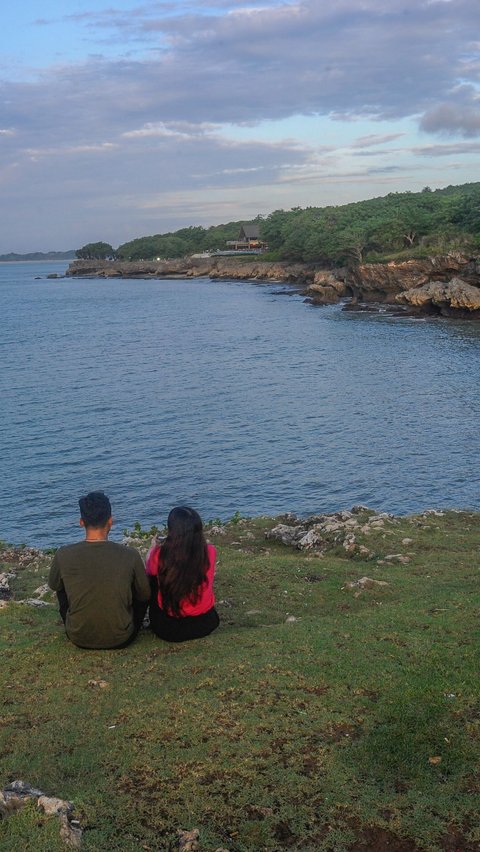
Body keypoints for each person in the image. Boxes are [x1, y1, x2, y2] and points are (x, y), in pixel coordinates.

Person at [48, 491, 151, 650]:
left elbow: (54, 585)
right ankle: (121, 621)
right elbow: (145, 595)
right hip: (122, 638)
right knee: (138, 584)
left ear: (81, 522)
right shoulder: (130, 555)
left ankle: (79, 622)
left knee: (61, 587)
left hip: (78, 637)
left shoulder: (63, 554)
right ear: (110, 521)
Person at [146, 506, 220, 642]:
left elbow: (149, 571)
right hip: (205, 623)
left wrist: (153, 549)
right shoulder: (209, 552)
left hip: (169, 629)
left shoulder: (160, 555)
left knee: (152, 579)